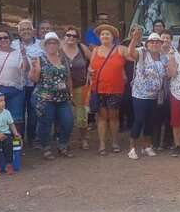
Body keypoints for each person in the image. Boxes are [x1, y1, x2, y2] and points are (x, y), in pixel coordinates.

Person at [89, 23, 140, 155]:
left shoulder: (120, 49)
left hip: (115, 89)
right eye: (102, 34)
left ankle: (114, 141)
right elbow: (91, 67)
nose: (105, 36)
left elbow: (133, 55)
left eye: (107, 34)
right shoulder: (95, 50)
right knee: (101, 117)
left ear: (113, 37)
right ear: (99, 37)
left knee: (114, 116)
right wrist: (89, 71)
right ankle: (102, 144)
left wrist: (134, 39)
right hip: (98, 89)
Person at [30, 32, 75, 159]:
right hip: (45, 98)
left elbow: (69, 77)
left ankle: (63, 146)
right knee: (45, 123)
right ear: (45, 45)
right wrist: (35, 69)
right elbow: (34, 79)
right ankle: (46, 148)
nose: (52, 45)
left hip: (62, 98)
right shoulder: (39, 59)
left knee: (68, 121)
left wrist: (70, 93)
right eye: (49, 42)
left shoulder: (63, 58)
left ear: (58, 44)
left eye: (54, 42)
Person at [127, 32, 166, 159]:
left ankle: (146, 146)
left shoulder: (163, 57)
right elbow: (130, 53)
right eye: (152, 42)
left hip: (154, 95)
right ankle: (132, 148)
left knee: (150, 121)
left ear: (161, 44)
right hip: (140, 94)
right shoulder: (142, 52)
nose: (155, 44)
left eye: (157, 42)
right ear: (147, 44)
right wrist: (134, 39)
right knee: (139, 120)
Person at [0, 29, 27, 137]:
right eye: (0, 38)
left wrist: (24, 55)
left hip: (15, 90)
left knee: (15, 118)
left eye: (5, 37)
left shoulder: (18, 53)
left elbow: (25, 69)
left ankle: (16, 142)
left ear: (10, 39)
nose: (3, 40)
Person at [12, 19, 44, 145]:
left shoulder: (42, 44)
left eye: (28, 29)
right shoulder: (12, 45)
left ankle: (33, 137)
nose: (26, 31)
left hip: (36, 84)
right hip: (18, 84)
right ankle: (19, 139)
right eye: (23, 29)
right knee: (18, 112)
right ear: (18, 33)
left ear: (33, 31)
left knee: (34, 112)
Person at [61, 25, 91, 149]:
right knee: (65, 115)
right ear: (64, 36)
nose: (71, 38)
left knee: (82, 114)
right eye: (68, 35)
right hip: (62, 87)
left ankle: (83, 139)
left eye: (74, 36)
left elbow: (93, 59)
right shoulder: (59, 49)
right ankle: (65, 140)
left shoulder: (82, 48)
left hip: (81, 85)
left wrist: (90, 71)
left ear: (78, 38)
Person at [151, 30, 174, 151]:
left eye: (168, 38)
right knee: (157, 118)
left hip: (171, 91)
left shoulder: (174, 53)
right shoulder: (154, 54)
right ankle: (155, 143)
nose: (165, 40)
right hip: (157, 91)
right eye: (163, 38)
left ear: (171, 40)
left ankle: (167, 142)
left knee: (169, 117)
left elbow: (173, 72)